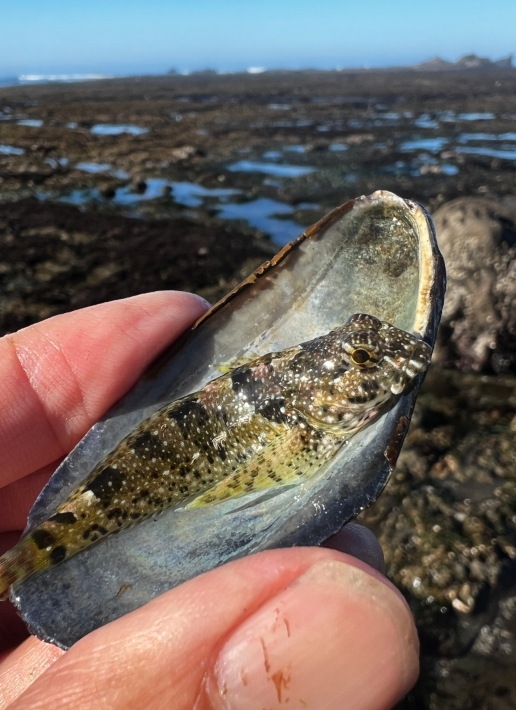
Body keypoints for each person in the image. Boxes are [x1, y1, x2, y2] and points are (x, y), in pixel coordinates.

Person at [0, 292, 419, 710]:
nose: (393, 362)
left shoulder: (294, 386)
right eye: (363, 357)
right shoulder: (302, 425)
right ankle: (25, 560)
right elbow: (263, 474)